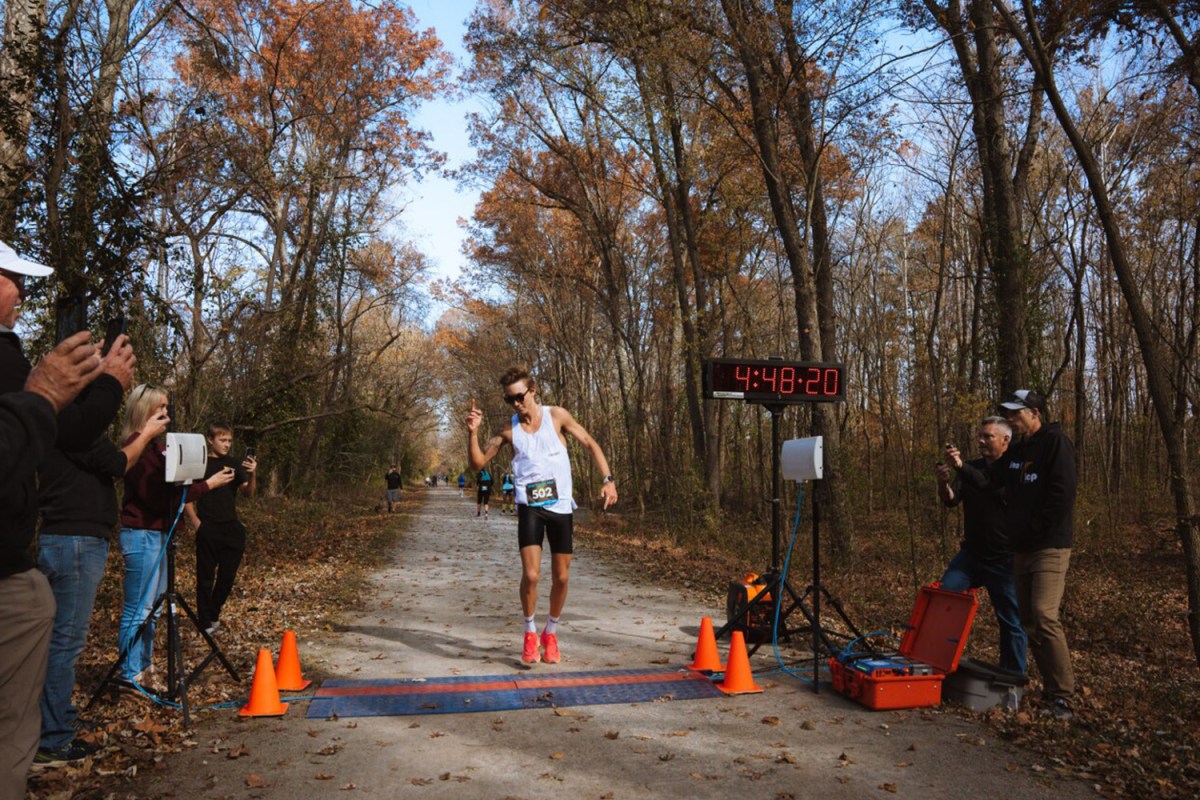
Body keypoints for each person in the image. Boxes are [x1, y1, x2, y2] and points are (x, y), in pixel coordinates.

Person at [0, 240, 119, 797]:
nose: (21, 292)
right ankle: (54, 733)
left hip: (38, 547)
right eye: (10, 279)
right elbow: (86, 442)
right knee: (60, 635)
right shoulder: (11, 364)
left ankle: (49, 731)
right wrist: (108, 385)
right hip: (60, 542)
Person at [33, 410, 162, 767]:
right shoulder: (74, 424)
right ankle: (52, 740)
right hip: (73, 541)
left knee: (63, 640)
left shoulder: (66, 426)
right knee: (66, 643)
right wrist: (147, 433)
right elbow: (118, 463)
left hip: (72, 540)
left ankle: (58, 720)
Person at [465, 365, 617, 665]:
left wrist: (607, 479)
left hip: (560, 507)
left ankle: (551, 632)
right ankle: (530, 632)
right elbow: (479, 463)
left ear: (532, 391)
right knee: (532, 575)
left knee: (561, 577)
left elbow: (590, 443)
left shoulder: (556, 416)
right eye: (510, 400)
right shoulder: (508, 431)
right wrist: (473, 433)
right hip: (530, 507)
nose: (516, 404)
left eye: (519, 397)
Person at [117, 386, 234, 688]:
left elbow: (172, 490)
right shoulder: (137, 447)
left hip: (160, 534)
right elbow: (157, 498)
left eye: (167, 409)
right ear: (144, 411)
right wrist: (206, 485)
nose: (166, 415)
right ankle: (129, 674)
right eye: (160, 409)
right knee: (139, 609)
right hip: (141, 534)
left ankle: (144, 668)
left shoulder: (157, 448)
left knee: (153, 609)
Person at [1000, 389, 1078, 721]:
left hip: (1049, 546)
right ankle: (1049, 690)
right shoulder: (1018, 450)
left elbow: (1062, 495)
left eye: (1016, 413)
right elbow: (993, 480)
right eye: (1009, 414)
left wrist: (1035, 530)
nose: (1011, 419)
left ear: (1034, 413)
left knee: (1044, 615)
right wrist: (960, 471)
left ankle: (1062, 696)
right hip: (1021, 548)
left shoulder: (1056, 443)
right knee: (1029, 620)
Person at [936, 417, 1027, 677]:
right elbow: (952, 501)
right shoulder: (971, 467)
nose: (981, 441)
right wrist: (943, 483)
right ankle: (937, 665)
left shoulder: (1013, 469)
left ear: (1005, 440)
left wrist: (961, 466)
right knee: (943, 600)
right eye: (980, 436)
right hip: (971, 556)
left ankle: (1013, 680)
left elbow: (989, 485)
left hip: (1004, 560)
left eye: (988, 437)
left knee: (1011, 621)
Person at [184, 424, 256, 636]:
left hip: (231, 528)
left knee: (227, 577)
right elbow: (187, 495)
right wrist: (196, 523)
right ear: (210, 440)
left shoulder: (234, 464)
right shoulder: (200, 463)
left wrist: (253, 475)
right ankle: (205, 621)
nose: (226, 444)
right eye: (222, 440)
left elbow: (247, 494)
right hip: (208, 527)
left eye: (229, 441)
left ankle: (213, 614)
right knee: (205, 577)